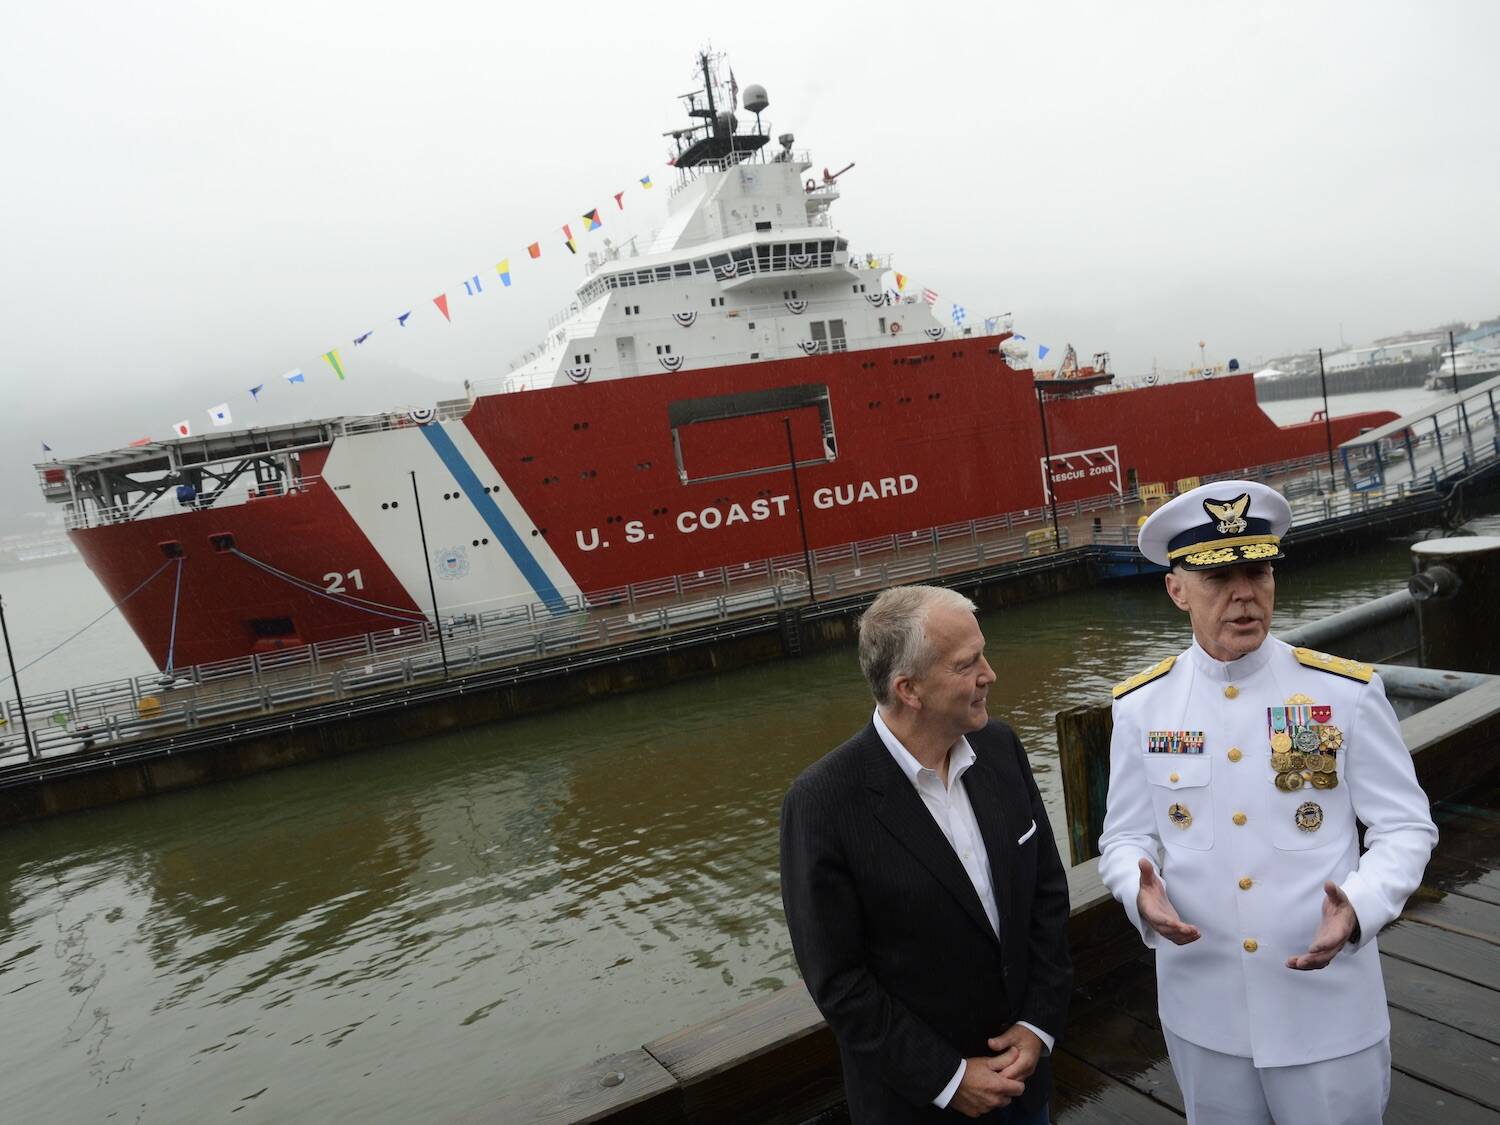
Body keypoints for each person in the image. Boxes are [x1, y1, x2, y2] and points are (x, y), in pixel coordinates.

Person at [1098, 479, 1437, 1124]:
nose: (1244, 595)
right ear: (1176, 590)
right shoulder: (1143, 707)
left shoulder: (1343, 694)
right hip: (1206, 1012)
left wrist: (1360, 909)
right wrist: (1136, 891)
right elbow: (1125, 839)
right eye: (1218, 579)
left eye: (1258, 571)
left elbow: (1404, 827)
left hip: (1325, 1011)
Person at [780, 585, 1072, 1122]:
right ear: (908, 689)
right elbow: (837, 980)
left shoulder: (1001, 748)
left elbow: (1047, 896)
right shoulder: (823, 802)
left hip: (1026, 1082)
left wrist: (1037, 1025)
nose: (990, 674)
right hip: (920, 1105)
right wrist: (948, 1077)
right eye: (967, 664)